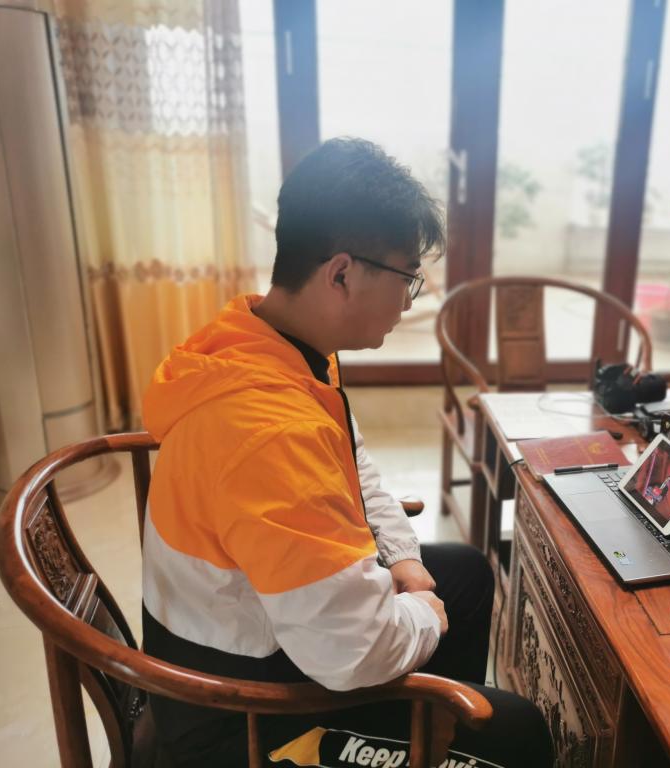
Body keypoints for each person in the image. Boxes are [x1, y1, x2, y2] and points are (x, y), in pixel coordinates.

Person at [141, 138, 553, 767]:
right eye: (407, 277)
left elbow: (354, 469)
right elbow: (353, 653)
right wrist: (423, 613)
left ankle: (431, 726)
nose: (410, 300)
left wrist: (404, 561)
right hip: (241, 716)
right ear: (341, 273)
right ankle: (436, 731)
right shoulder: (268, 427)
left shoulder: (268, 344)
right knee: (518, 732)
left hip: (264, 630)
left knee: (465, 575)